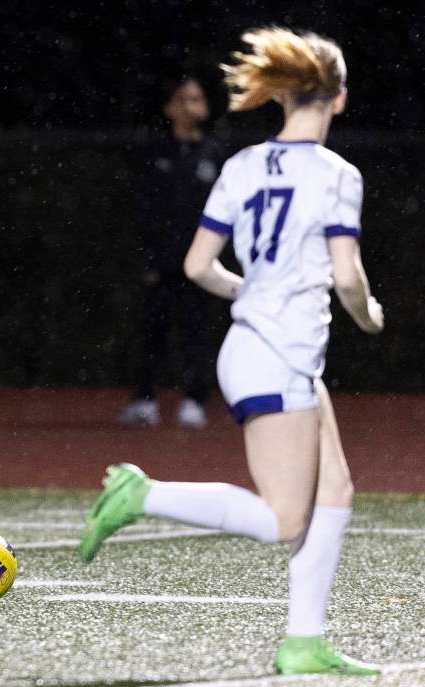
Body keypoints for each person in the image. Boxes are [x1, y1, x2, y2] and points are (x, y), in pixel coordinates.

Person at [81, 29, 384, 675]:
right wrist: (369, 315)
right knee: (282, 520)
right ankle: (142, 493)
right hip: (277, 355)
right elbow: (350, 276)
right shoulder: (336, 174)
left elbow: (197, 264)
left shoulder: (242, 165)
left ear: (280, 94)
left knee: (336, 489)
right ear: (340, 98)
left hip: (259, 347)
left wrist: (258, 291)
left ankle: (304, 640)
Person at [120, 76, 224, 430]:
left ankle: (194, 400)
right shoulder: (155, 152)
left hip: (201, 265)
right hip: (162, 262)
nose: (189, 106)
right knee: (153, 332)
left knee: (198, 333)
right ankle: (145, 399)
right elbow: (142, 210)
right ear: (168, 108)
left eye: (196, 99)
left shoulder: (214, 153)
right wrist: (147, 257)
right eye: (182, 99)